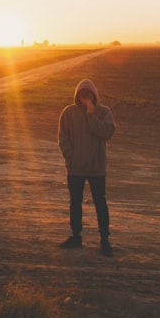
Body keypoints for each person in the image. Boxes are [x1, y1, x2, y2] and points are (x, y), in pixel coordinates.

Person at [58, 78, 116, 256]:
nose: (85, 98)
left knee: (100, 203)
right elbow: (63, 138)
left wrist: (92, 114)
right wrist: (71, 157)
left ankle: (104, 239)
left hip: (97, 168)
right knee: (75, 203)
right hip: (76, 169)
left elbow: (106, 132)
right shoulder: (68, 112)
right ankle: (76, 236)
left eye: (89, 95)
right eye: (82, 95)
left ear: (95, 95)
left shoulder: (104, 112)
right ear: (77, 96)